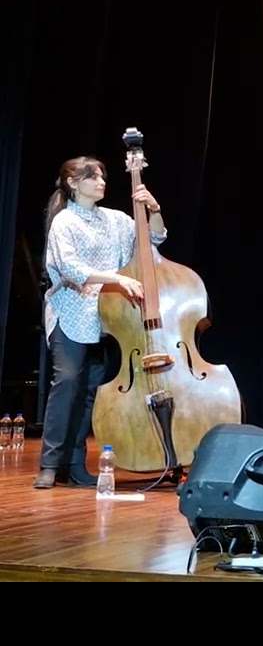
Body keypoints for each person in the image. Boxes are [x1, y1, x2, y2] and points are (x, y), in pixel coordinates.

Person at [37, 156, 166, 489]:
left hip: (106, 316)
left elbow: (153, 242)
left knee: (90, 391)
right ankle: (50, 464)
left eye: (102, 176)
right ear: (73, 183)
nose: (101, 181)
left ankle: (75, 464)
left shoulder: (116, 219)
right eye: (92, 177)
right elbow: (70, 268)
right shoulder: (64, 221)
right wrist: (117, 280)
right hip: (71, 310)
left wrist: (153, 210)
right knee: (67, 382)